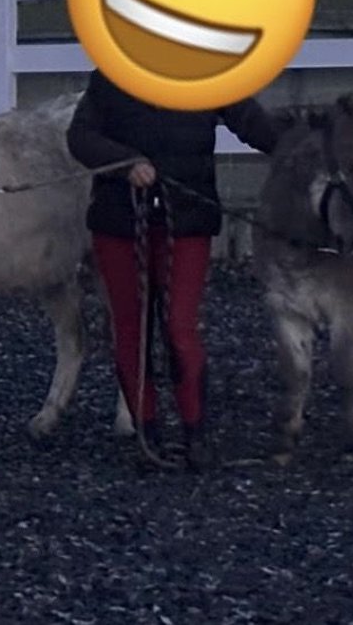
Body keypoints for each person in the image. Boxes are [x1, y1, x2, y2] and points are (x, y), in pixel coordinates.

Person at [66, 69, 284, 471]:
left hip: (186, 219)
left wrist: (300, 149)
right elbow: (80, 137)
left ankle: (194, 431)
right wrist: (125, 163)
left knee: (179, 327)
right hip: (120, 220)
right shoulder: (111, 77)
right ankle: (147, 430)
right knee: (131, 328)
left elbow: (253, 124)